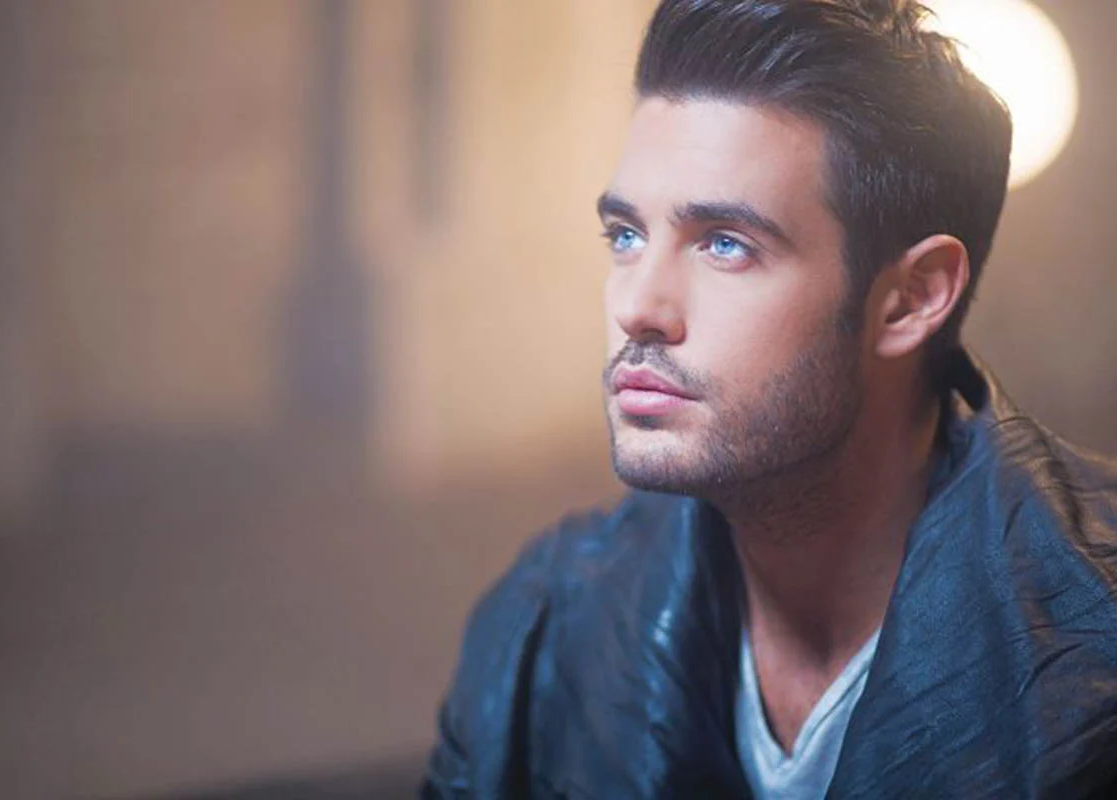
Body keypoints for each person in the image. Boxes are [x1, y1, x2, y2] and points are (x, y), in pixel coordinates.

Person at [421, 1, 1117, 797]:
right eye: (626, 235)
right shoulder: (543, 627)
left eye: (725, 244)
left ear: (911, 298)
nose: (638, 306)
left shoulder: (1096, 643)